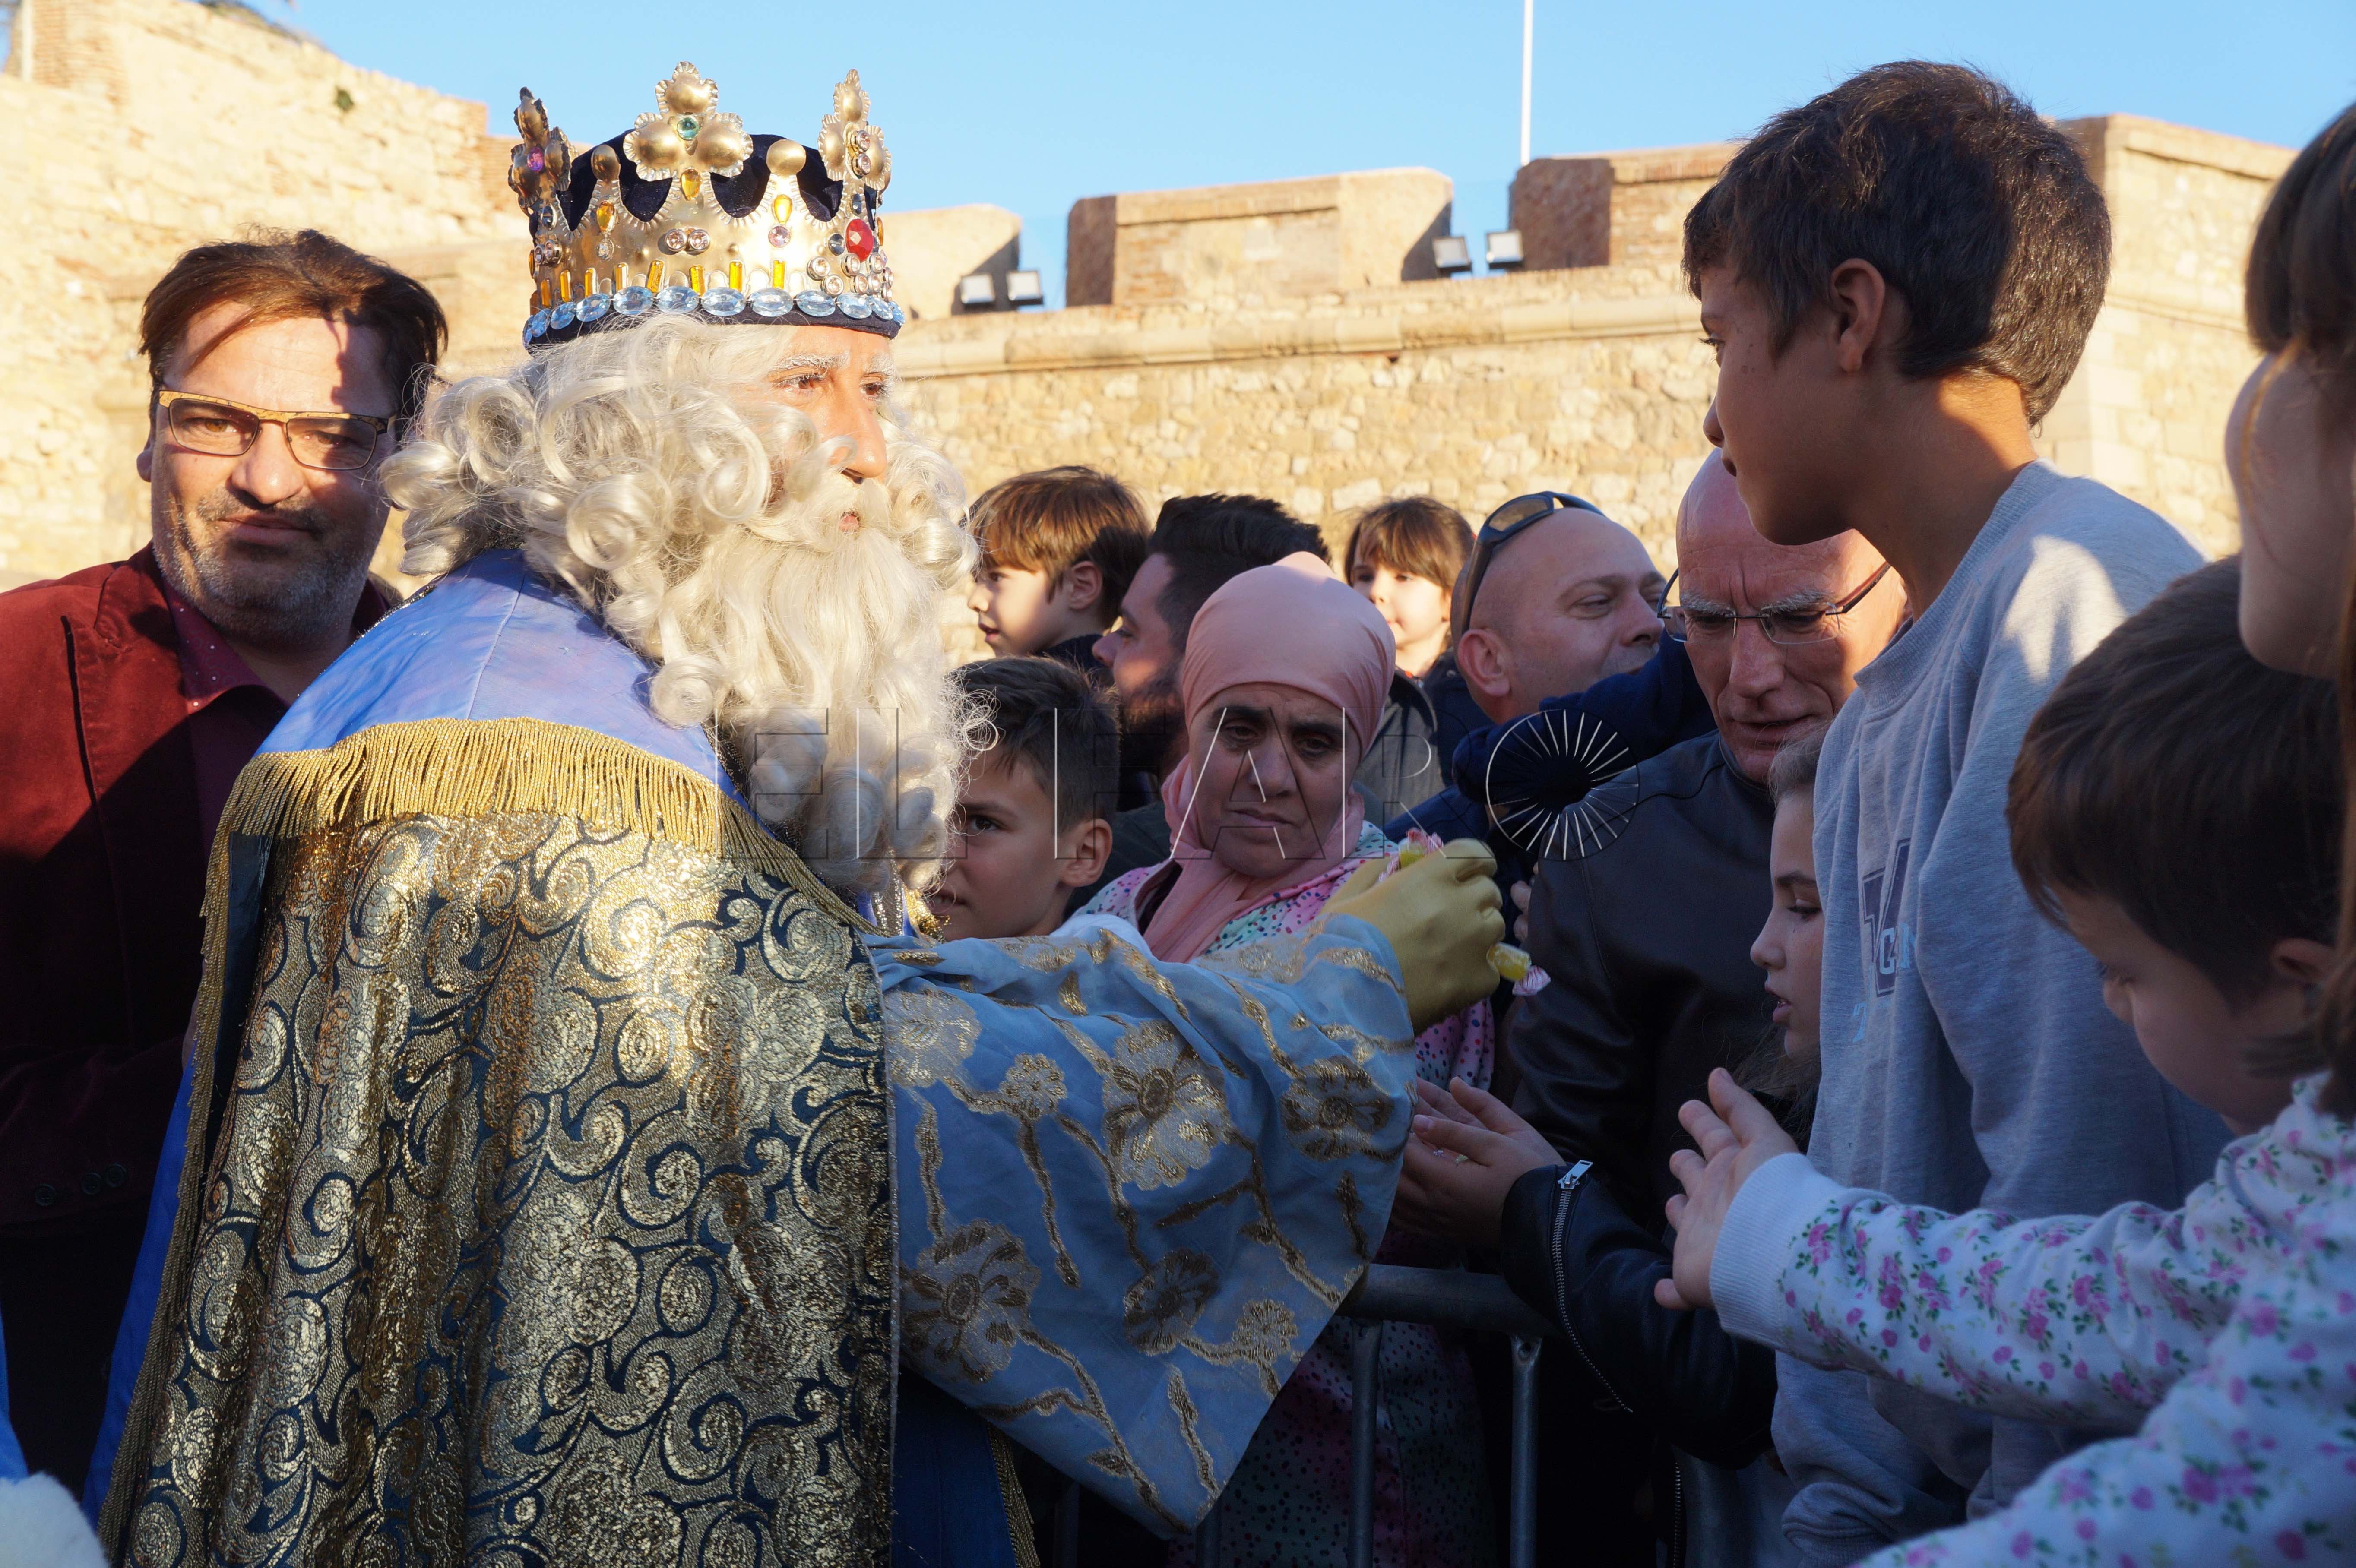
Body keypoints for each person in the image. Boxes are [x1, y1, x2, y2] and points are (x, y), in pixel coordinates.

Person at [87, 68, 1507, 1568]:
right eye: (806, 386)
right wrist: (1319, 1002)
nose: (869, 453)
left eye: (875, 388)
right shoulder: (546, 763)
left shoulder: (576, 673)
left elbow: (810, 1009)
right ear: (643, 422)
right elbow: (838, 1123)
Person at [1687, 61, 2230, 1559]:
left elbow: (2082, 1178)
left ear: (1848, 316)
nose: (1710, 397)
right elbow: (1886, 1145)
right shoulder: (1879, 713)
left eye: (1721, 335)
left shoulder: (2065, 611)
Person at [1657, 553, 2349, 1567]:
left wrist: (1788, 1236)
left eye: (2120, 970)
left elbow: (2161, 1511)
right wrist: (1785, 1231)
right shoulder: (2306, 1172)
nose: (2105, 1002)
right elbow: (2105, 1296)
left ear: (2299, 982)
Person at [0, 230, 439, 1493]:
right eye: (215, 421)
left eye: (331, 433)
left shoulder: (485, 712)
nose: (267, 477)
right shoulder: (18, 676)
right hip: (78, 1448)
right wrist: (231, 1082)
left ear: (403, 459)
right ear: (149, 431)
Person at [1082, 554, 1496, 1568]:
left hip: (1354, 1449)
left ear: (1358, 754)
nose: (1270, 771)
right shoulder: (1123, 903)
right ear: (1193, 719)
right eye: (1239, 726)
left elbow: (1378, 1157)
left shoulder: (1407, 908)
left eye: (1315, 741)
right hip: (1153, 1457)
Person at [1390, 725, 1831, 1568]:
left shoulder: (1838, 1130)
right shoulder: (1785, 1086)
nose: (1761, 944)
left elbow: (1721, 1379)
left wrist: (1541, 1203)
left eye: (1804, 907)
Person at [1508, 456, 1900, 1221]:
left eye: (1798, 619)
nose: (1749, 675)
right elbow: (1555, 1180)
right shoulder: (1609, 849)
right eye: (1710, 622)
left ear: (1909, 593)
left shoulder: (1985, 807)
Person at [1382, 493, 1682, 867]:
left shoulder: (1747, 793)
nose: (1651, 625)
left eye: (1658, 601)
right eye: (1596, 603)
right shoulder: (1406, 871)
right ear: (1490, 662)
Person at [1089, 493, 1329, 886]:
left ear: (1208, 665)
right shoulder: (1356, 829)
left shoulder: (1114, 872)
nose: (1102, 648)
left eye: (1129, 633)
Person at [926, 658, 1118, 939]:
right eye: (919, 815)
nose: (930, 857)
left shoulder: (1112, 982)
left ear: (1082, 854)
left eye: (982, 824)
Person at [1345, 497, 1474, 819]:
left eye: (1403, 577)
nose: (1376, 591)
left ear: (1453, 597)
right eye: (1364, 576)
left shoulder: (1480, 693)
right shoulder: (1344, 692)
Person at [965, 465, 1150, 669]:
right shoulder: (1123, 689)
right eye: (977, 579)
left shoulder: (1029, 696)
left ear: (1081, 587)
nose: (975, 601)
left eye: (996, 578)